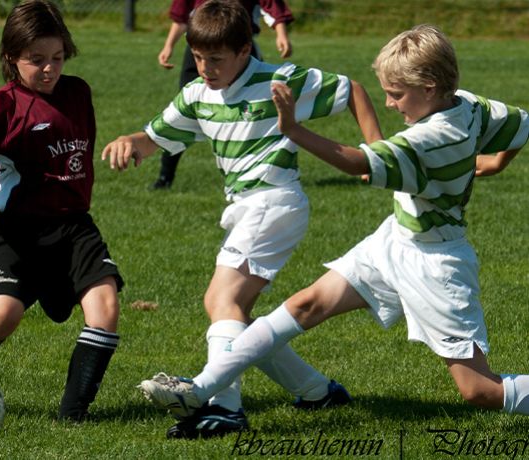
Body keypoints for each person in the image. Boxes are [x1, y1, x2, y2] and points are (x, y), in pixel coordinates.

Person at [137, 24, 529, 424]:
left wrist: (293, 129)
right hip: (394, 241)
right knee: (307, 304)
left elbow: (356, 162)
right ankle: (199, 391)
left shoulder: (431, 141)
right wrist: (496, 161)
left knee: (480, 390)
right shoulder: (468, 104)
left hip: (437, 266)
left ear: (429, 86)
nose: (390, 105)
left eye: (396, 94)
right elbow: (520, 122)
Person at [104, 0, 382, 438]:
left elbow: (353, 90)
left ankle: (224, 408)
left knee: (221, 300)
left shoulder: (278, 80)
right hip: (244, 210)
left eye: (215, 59)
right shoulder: (197, 95)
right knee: (237, 318)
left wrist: (376, 154)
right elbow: (154, 139)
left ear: (244, 51)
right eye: (197, 58)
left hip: (275, 202)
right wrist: (129, 142)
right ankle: (316, 391)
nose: (204, 68)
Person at [0, 0, 124, 422]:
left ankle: (73, 417)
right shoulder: (5, 107)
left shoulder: (79, 92)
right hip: (17, 232)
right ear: (11, 58)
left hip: (73, 228)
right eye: (37, 61)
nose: (50, 69)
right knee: (1, 316)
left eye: (57, 58)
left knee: (105, 307)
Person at [151, 0, 295, 190]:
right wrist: (169, 45)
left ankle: (260, 173)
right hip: (200, 52)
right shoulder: (200, 59)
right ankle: (165, 177)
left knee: (253, 114)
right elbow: (182, 15)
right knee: (182, 116)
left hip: (235, 54)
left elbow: (272, 5)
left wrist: (281, 33)